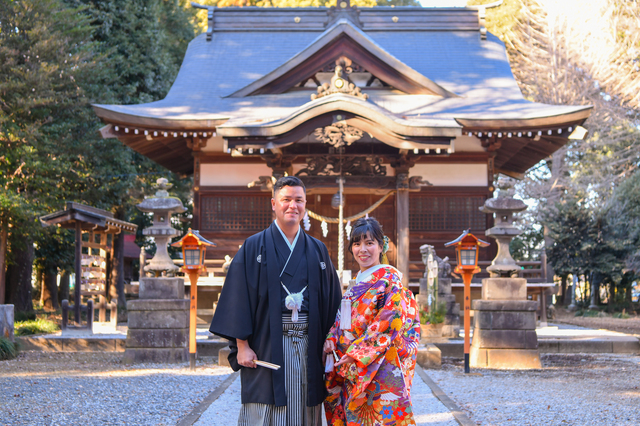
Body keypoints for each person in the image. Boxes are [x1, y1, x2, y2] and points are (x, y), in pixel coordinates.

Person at [210, 176, 342, 426]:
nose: (293, 205)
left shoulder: (317, 249)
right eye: (286, 199)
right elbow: (238, 298)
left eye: (299, 200)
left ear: (306, 205)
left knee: (306, 402)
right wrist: (242, 345)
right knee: (263, 405)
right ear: (274, 203)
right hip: (266, 344)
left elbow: (333, 303)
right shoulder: (253, 246)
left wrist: (331, 346)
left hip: (308, 344)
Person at [323, 217, 421, 426]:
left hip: (378, 365)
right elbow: (342, 320)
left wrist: (356, 353)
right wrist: (332, 337)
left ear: (381, 246)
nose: (363, 250)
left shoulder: (390, 282)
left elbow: (390, 322)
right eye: (357, 244)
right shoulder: (357, 284)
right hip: (351, 365)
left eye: (369, 243)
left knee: (376, 417)